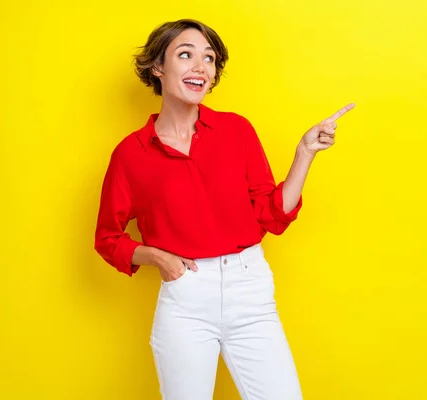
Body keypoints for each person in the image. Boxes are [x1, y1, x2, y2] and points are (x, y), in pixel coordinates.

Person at [94, 18, 354, 400]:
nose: (201, 67)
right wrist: (156, 257)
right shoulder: (131, 154)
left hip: (249, 289)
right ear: (158, 68)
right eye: (186, 55)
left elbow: (272, 215)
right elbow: (107, 237)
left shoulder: (236, 131)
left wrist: (305, 153)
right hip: (185, 297)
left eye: (209, 59)